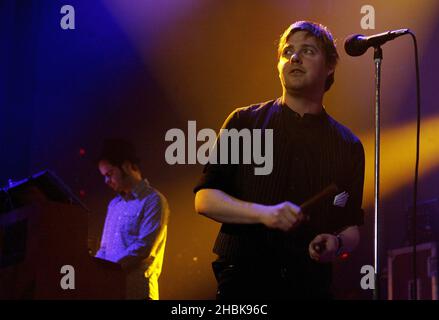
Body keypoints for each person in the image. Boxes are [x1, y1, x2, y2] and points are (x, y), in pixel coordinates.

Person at [193, 21, 365, 300]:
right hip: (244, 281)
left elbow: (351, 226)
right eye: (288, 52)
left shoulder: (348, 145)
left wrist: (337, 242)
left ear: (331, 66)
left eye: (308, 50)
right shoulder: (244, 121)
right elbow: (205, 199)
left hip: (310, 283)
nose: (294, 57)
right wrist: (265, 214)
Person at [96, 138, 169, 300]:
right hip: (111, 291)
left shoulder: (153, 200)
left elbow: (144, 247)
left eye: (109, 174)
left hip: (138, 292)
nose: (106, 181)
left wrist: (106, 269)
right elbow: (103, 249)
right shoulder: (114, 205)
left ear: (127, 166)